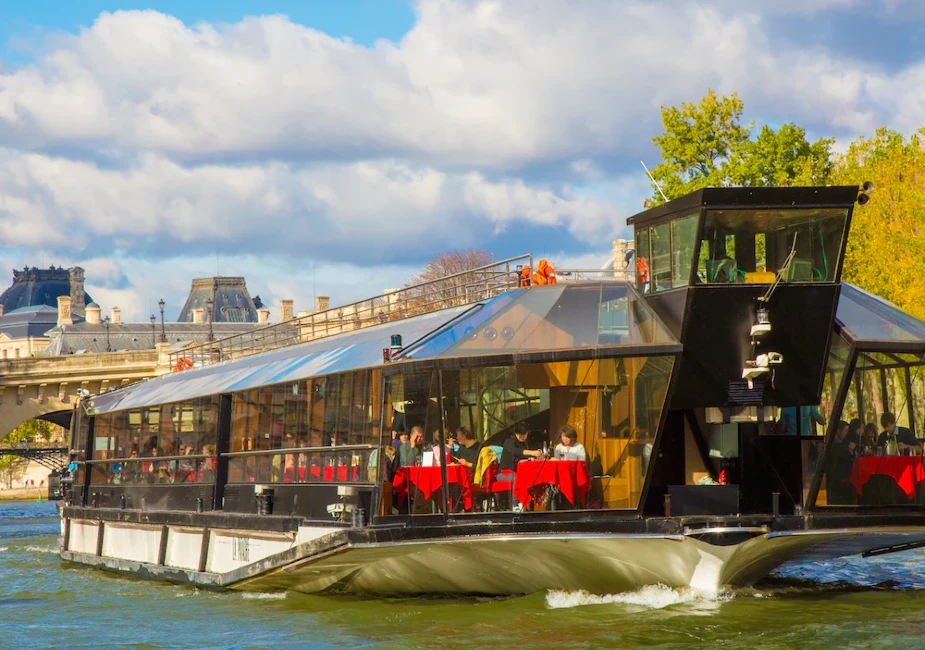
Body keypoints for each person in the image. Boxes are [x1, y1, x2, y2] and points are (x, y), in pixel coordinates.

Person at [826, 420, 857, 504]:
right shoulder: (834, 444)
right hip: (837, 475)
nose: (846, 433)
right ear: (838, 431)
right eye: (845, 430)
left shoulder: (842, 442)